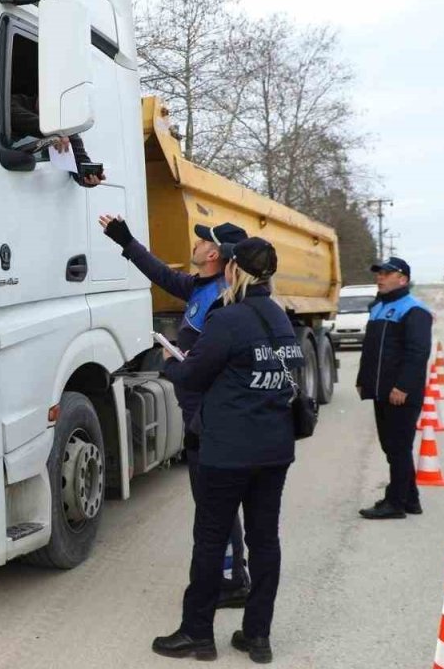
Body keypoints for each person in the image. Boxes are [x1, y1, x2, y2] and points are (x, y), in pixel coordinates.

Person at [151, 237, 301, 663]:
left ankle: (197, 635)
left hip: (227, 451)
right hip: (274, 450)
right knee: (265, 541)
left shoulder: (228, 319)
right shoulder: (279, 317)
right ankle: (257, 636)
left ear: (233, 268)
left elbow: (192, 375)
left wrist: (172, 362)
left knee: (211, 541)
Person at [101, 216, 253, 608]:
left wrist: (178, 366)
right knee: (211, 504)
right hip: (198, 413)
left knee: (215, 505)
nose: (197, 243)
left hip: (211, 417)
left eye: (203, 241)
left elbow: (218, 359)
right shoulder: (203, 287)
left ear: (214, 254)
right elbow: (163, 277)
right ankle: (231, 572)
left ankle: (233, 579)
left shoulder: (225, 297)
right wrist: (127, 242)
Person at [356, 257, 433, 520]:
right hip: (381, 391)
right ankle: (411, 499)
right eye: (379, 273)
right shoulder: (378, 307)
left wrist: (403, 386)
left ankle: (395, 502)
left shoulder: (414, 310)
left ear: (403, 279)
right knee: (392, 447)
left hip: (400, 393)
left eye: (387, 273)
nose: (380, 277)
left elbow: (418, 353)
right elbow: (371, 350)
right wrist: (362, 379)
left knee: (398, 448)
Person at [9, 93, 105, 187]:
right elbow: (13, 113)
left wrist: (90, 178)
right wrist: (53, 131)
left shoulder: (67, 129)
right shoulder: (16, 101)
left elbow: (80, 163)